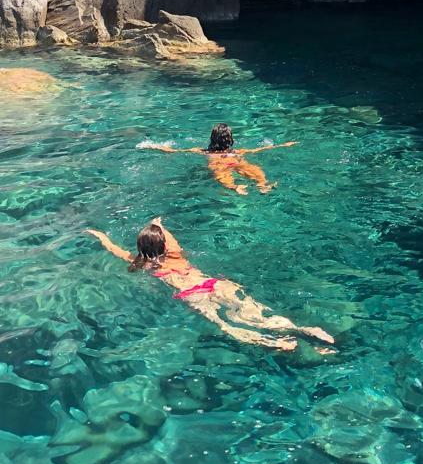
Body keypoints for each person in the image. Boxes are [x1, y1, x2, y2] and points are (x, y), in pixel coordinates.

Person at [85, 218, 334, 353]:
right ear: (163, 245)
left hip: (191, 294)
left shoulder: (139, 262)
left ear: (141, 248)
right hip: (212, 283)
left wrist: (101, 236)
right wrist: (158, 224)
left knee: (224, 324)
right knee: (255, 312)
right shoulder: (175, 254)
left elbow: (113, 248)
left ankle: (275, 343)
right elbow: (168, 237)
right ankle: (303, 329)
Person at [142, 123, 297, 196]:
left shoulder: (205, 152)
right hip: (236, 160)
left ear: (212, 138)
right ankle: (262, 184)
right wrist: (284, 145)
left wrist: (153, 146)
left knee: (222, 176)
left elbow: (175, 151)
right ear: (230, 139)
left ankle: (235, 187)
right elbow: (261, 149)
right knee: (254, 170)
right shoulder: (237, 151)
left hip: (219, 164)